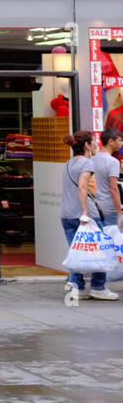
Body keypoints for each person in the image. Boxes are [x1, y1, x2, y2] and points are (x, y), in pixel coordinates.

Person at [61, 130, 118, 300]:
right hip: (85, 216)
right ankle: (98, 286)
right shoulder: (87, 164)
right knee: (100, 250)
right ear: (86, 145)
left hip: (66, 215)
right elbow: (82, 187)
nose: (96, 145)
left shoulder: (68, 163)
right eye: (94, 142)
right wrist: (85, 211)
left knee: (77, 252)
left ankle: (77, 287)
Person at [92, 128, 123, 231]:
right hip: (110, 210)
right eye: (120, 140)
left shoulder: (92, 159)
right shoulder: (113, 162)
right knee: (114, 242)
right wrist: (119, 212)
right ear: (111, 142)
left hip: (95, 208)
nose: (121, 143)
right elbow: (114, 189)